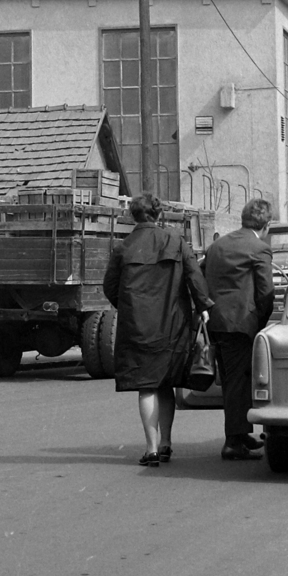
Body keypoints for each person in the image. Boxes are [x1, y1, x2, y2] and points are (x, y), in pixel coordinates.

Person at [102, 193, 212, 467]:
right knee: (167, 385)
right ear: (159, 215)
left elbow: (109, 287)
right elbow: (194, 277)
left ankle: (150, 449)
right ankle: (166, 443)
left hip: (138, 325)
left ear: (132, 217)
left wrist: (128, 306)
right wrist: (204, 308)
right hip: (173, 324)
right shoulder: (175, 241)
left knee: (146, 386)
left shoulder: (124, 247)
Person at [202, 197, 276, 460]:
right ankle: (233, 442)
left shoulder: (217, 245)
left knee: (234, 380)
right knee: (237, 382)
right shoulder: (259, 248)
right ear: (266, 225)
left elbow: (201, 278)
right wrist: (261, 323)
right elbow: (266, 292)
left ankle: (240, 433)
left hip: (217, 322)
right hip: (241, 324)